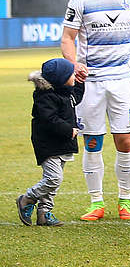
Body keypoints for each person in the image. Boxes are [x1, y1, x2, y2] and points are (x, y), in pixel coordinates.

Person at [63, 0, 130, 221]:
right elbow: (67, 38)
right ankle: (96, 202)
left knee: (124, 140)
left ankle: (125, 201)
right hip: (91, 83)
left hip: (121, 80)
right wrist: (74, 64)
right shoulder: (81, 0)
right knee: (93, 143)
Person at [17, 59, 82, 227]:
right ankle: (27, 199)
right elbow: (50, 120)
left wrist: (81, 82)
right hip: (49, 144)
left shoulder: (65, 91)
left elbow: (77, 97)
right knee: (53, 179)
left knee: (54, 182)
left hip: (63, 143)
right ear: (61, 79)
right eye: (71, 74)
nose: (74, 76)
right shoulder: (45, 97)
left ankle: (44, 214)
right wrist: (69, 130)